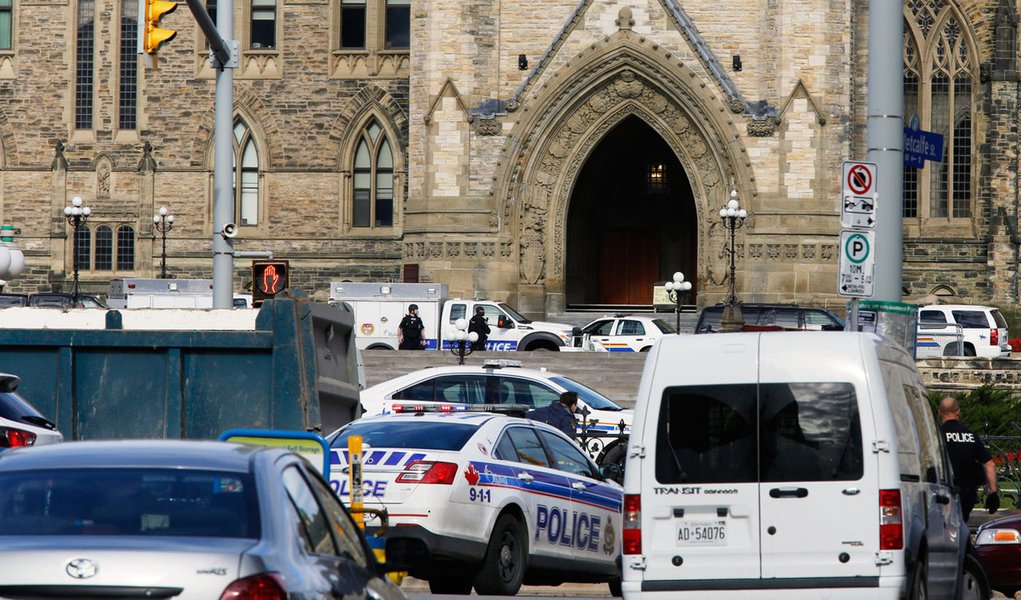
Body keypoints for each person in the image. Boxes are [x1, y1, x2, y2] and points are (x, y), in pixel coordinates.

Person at [939, 396, 999, 521]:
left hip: (941, 491)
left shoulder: (937, 434)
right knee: (961, 524)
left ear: (939, 412)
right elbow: (989, 465)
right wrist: (993, 493)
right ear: (958, 411)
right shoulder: (970, 435)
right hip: (967, 492)